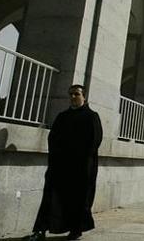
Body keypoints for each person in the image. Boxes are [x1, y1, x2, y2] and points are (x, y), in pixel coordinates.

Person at [24, 85, 103, 241]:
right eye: (71, 94)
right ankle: (40, 231)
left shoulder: (92, 116)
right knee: (50, 197)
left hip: (81, 168)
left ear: (84, 96)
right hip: (60, 166)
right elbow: (53, 139)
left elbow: (94, 142)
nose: (73, 97)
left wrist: (80, 161)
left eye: (77, 94)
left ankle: (76, 230)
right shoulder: (62, 116)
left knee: (78, 200)